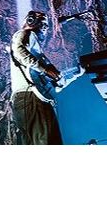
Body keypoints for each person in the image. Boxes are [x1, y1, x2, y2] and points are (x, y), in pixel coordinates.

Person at [9, 10, 64, 145]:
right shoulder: (24, 34)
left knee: (49, 140)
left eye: (46, 25)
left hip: (35, 97)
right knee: (44, 141)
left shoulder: (36, 50)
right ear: (30, 21)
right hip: (29, 95)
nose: (45, 27)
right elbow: (19, 51)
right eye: (42, 23)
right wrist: (45, 69)